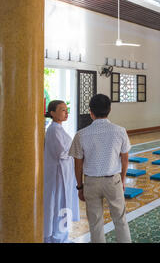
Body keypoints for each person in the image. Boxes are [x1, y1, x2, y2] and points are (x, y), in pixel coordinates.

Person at [69, 94, 131, 243]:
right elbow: (125, 158)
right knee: (120, 220)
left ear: (91, 111)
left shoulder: (81, 135)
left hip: (91, 183)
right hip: (113, 181)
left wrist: (79, 187)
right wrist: (122, 180)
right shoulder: (120, 131)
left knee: (95, 223)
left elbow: (77, 164)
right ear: (109, 109)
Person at [44, 100, 80, 243]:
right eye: (63, 110)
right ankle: (55, 237)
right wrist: (76, 150)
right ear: (52, 113)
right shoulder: (53, 129)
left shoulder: (58, 128)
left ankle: (62, 236)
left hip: (64, 173)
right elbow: (61, 152)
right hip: (58, 175)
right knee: (58, 205)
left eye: (66, 110)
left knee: (63, 204)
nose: (66, 113)